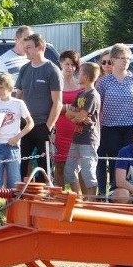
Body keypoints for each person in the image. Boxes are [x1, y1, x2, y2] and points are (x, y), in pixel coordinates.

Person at [95, 43, 133, 200]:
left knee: (130, 158)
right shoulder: (105, 82)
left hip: (132, 124)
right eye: (122, 58)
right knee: (115, 158)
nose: (126, 61)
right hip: (110, 126)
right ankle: (115, 191)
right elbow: (98, 104)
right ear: (113, 60)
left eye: (128, 58)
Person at [0, 73, 33, 228]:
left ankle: (12, 214)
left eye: (1, 88)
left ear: (10, 89)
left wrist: (18, 136)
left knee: (14, 181)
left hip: (13, 145)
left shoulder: (18, 103)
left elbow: (30, 123)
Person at [15, 33, 62, 182]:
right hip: (26, 125)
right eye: (24, 47)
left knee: (45, 165)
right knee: (22, 163)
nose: (25, 50)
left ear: (40, 47)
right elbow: (18, 97)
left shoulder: (52, 70)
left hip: (43, 124)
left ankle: (46, 197)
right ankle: (22, 196)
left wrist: (48, 127)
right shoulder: (24, 69)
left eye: (28, 47)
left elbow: (58, 102)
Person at [63, 62, 101, 199]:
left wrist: (77, 116)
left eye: (80, 73)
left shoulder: (92, 95)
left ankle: (91, 202)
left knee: (88, 173)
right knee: (69, 171)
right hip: (77, 138)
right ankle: (78, 198)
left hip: (88, 139)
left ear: (85, 76)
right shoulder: (80, 94)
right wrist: (77, 116)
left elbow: (79, 117)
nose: (77, 75)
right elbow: (69, 114)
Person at [53, 50, 82, 189]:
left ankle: (81, 199)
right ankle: (60, 197)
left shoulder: (81, 85)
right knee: (59, 165)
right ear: (60, 64)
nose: (69, 67)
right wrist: (66, 108)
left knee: (79, 168)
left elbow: (85, 106)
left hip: (77, 130)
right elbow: (52, 105)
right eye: (66, 64)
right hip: (59, 129)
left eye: (73, 64)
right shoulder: (55, 84)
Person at [95, 48, 114, 197]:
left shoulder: (120, 79)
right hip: (99, 126)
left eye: (110, 62)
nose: (107, 65)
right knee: (100, 159)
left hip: (114, 125)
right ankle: (101, 192)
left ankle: (114, 191)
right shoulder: (97, 81)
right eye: (104, 62)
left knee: (114, 159)